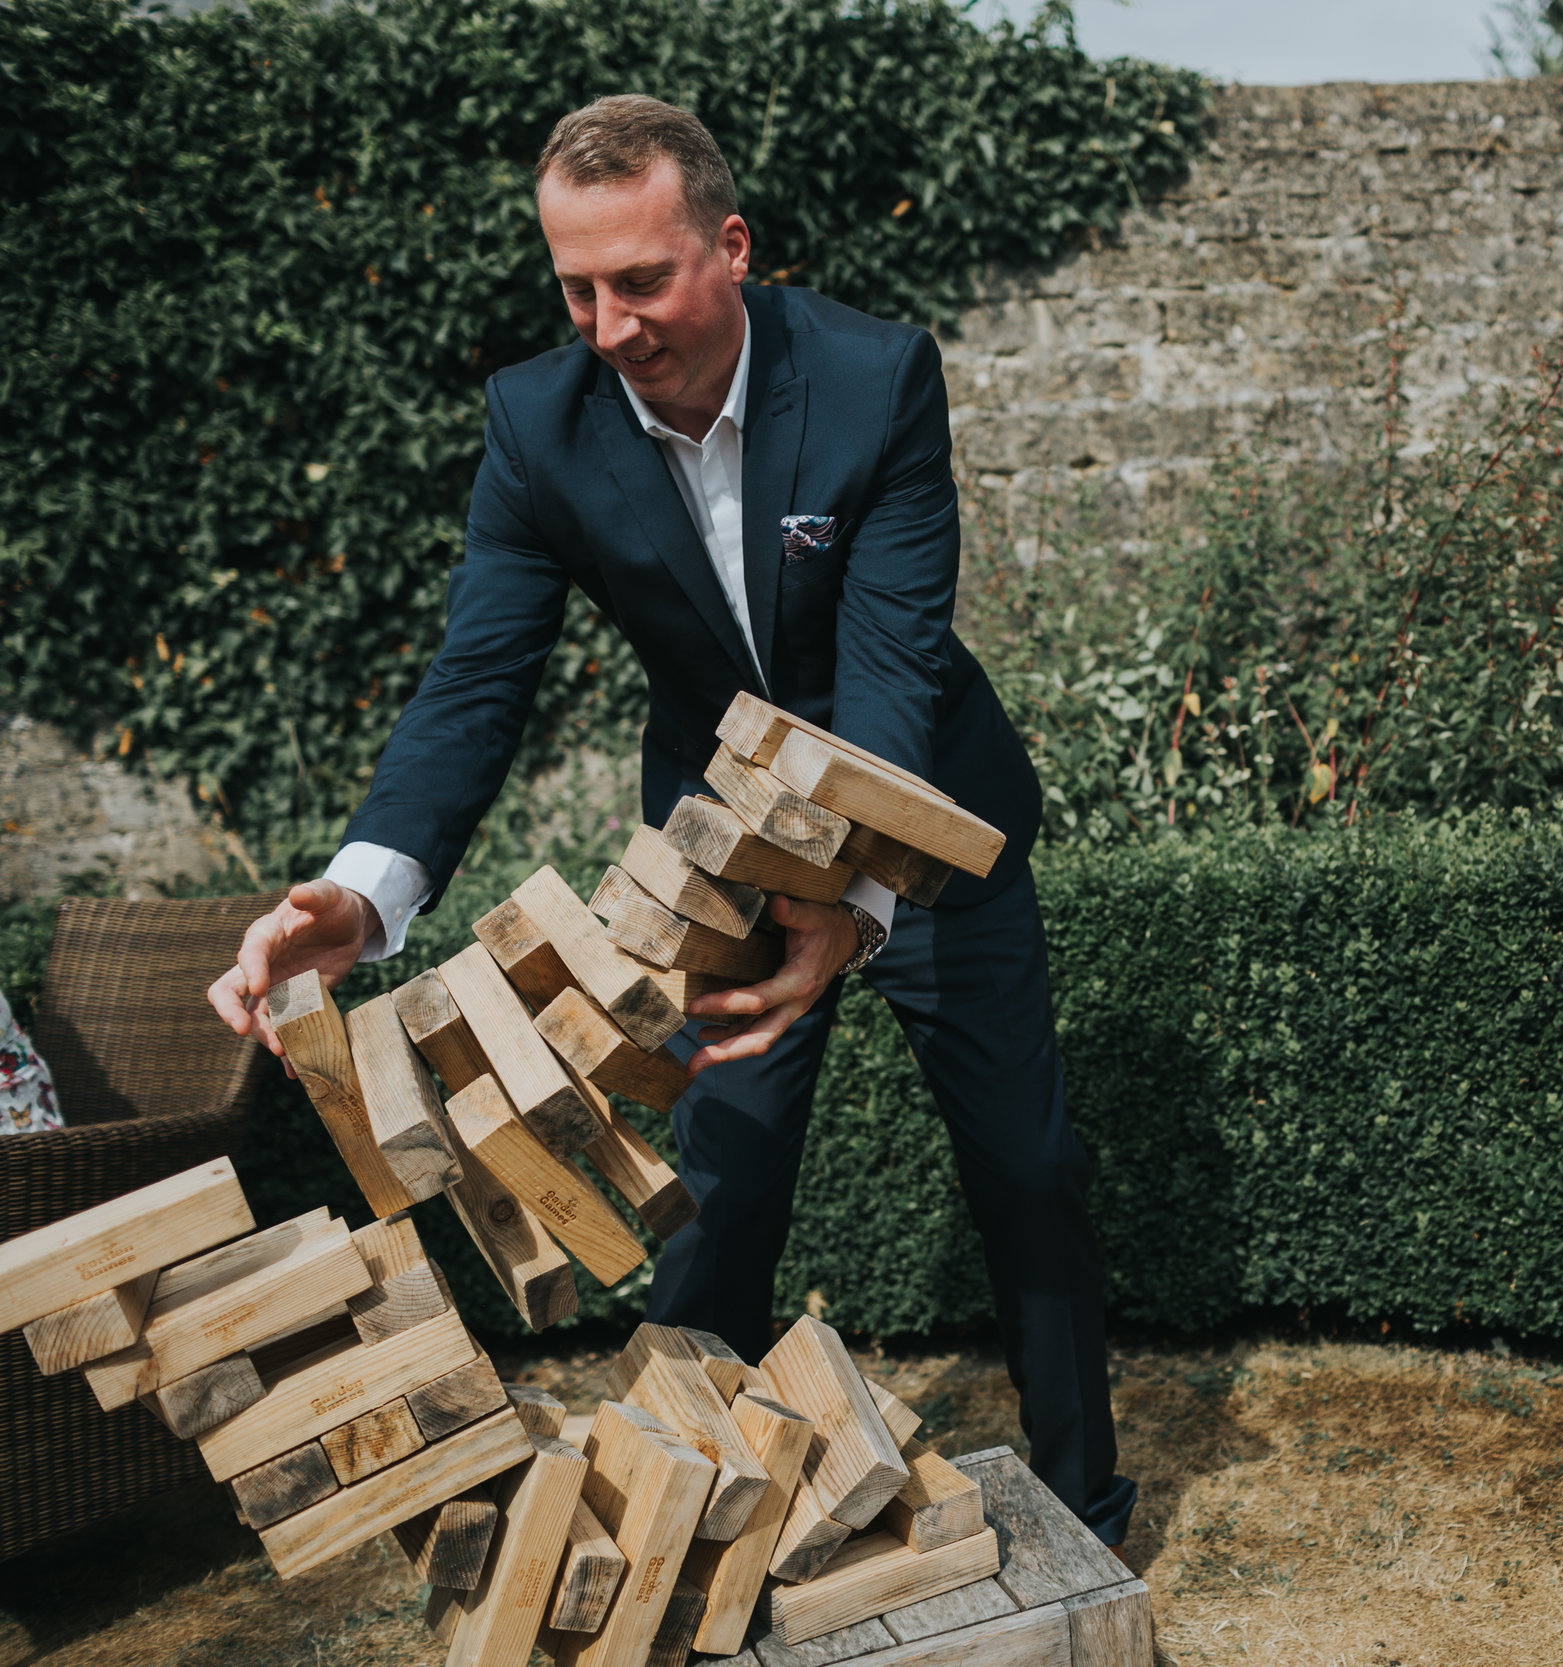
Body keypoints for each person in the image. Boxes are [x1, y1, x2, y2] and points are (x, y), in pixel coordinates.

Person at [206, 94, 1136, 1550]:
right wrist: (360, 894)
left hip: (930, 834)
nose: (609, 324)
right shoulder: (538, 425)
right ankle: (695, 1530)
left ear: (732, 247)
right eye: (576, 286)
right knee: (722, 1182)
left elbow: (890, 674)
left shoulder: (877, 376)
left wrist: (854, 899)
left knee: (1024, 1168)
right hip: (714, 860)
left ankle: (1088, 1501)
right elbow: (476, 683)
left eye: (640, 280)